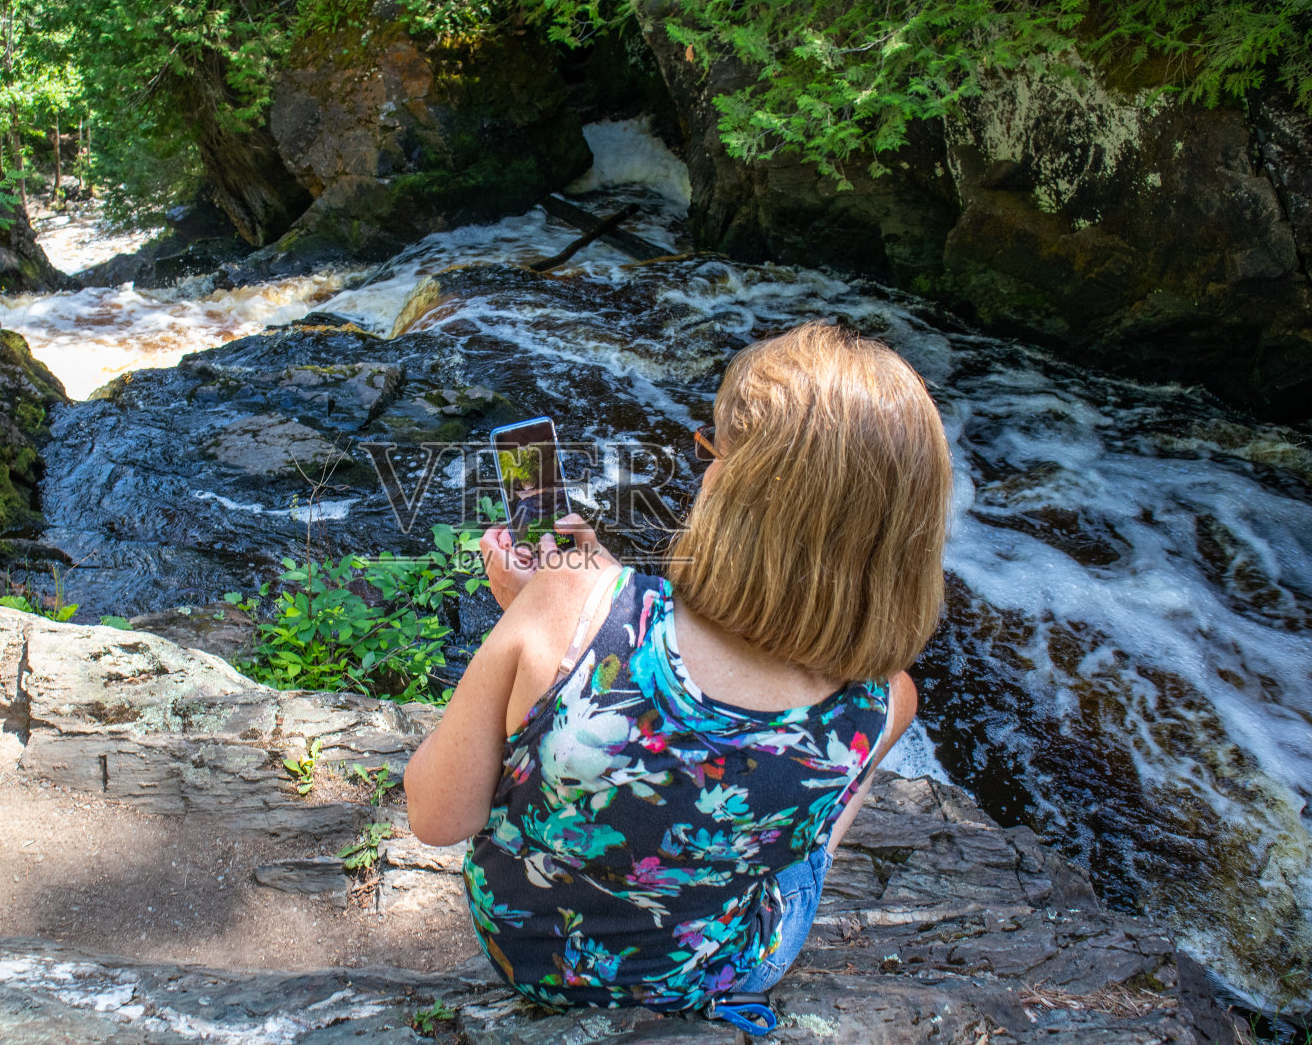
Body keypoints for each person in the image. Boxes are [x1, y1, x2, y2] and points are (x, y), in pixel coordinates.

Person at [402, 322, 953, 1032]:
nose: (704, 467)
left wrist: (548, 609)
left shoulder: (570, 603)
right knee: (840, 775)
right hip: (706, 973)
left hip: (528, 956)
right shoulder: (880, 703)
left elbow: (436, 815)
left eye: (712, 450)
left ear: (739, 490)